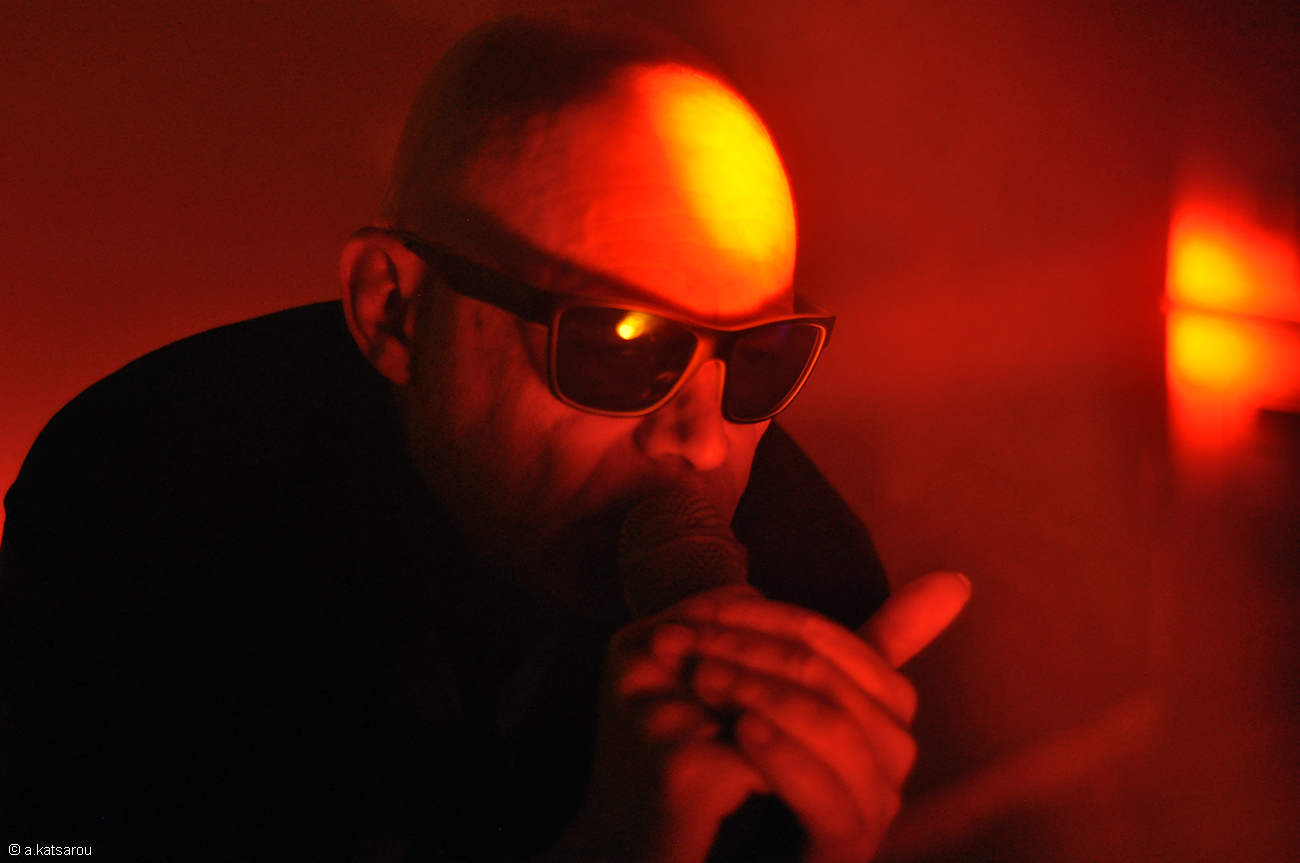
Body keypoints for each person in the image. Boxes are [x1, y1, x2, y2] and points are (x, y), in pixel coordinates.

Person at [0, 12, 969, 863]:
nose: (705, 442)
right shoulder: (142, 484)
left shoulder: (813, 601)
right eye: (619, 343)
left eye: (758, 356)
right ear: (393, 310)